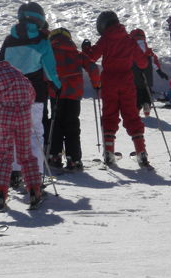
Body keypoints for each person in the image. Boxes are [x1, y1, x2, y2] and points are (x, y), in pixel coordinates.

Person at [0, 2, 61, 187]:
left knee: (14, 135)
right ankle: (35, 180)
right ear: (40, 19)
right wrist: (57, 86)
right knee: (35, 136)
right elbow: (50, 71)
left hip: (8, 99)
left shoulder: (9, 40)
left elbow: (0, 67)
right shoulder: (42, 40)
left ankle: (15, 174)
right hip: (34, 96)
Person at [82, 11, 151, 168]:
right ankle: (141, 153)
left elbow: (92, 56)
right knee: (131, 115)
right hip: (127, 82)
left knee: (109, 115)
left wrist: (86, 48)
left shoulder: (105, 39)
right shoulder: (129, 40)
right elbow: (142, 63)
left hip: (109, 82)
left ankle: (109, 152)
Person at [47, 27, 101, 171]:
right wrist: (96, 84)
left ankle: (54, 156)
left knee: (56, 123)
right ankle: (74, 159)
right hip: (73, 94)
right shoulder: (77, 53)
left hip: (56, 93)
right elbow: (93, 68)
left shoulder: (49, 53)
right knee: (72, 125)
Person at [0, 61, 43, 210]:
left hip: (5, 117)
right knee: (25, 155)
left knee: (3, 155)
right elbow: (32, 95)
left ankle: (0, 192)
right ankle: (34, 190)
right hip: (23, 117)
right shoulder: (19, 74)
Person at [129, 29, 168, 117]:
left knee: (137, 91)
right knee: (147, 90)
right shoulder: (148, 50)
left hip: (135, 74)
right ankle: (147, 104)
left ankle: (137, 108)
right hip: (147, 73)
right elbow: (154, 60)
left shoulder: (130, 49)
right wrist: (159, 71)